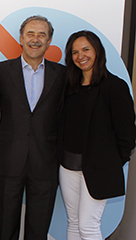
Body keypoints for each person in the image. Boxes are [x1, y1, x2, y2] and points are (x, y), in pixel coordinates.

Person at [0, 15, 65, 240]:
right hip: (9, 158)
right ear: (21, 38)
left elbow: (64, 118)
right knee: (5, 225)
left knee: (38, 228)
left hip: (47, 160)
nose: (35, 39)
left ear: (49, 41)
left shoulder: (62, 74)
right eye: (30, 33)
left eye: (42, 35)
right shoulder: (0, 71)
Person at [58, 30, 136, 240]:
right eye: (75, 52)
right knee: (73, 222)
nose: (80, 56)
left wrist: (112, 162)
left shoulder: (114, 86)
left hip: (99, 168)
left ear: (97, 51)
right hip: (68, 166)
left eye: (86, 49)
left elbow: (127, 133)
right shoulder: (69, 86)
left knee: (88, 225)